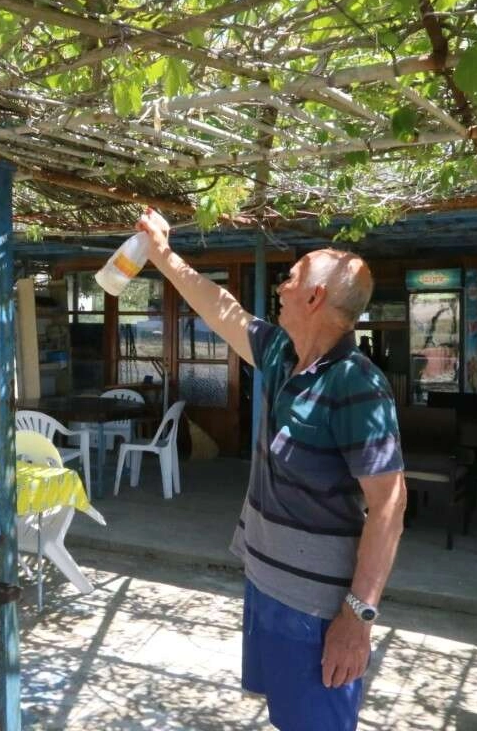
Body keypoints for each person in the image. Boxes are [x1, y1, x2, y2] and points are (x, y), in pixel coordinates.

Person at [135, 210, 407, 731]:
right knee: (287, 717)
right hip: (266, 581)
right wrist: (162, 255)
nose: (281, 287)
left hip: (315, 606)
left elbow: (390, 508)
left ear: (315, 298)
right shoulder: (285, 354)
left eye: (292, 277)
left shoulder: (356, 384)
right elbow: (221, 309)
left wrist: (357, 617)